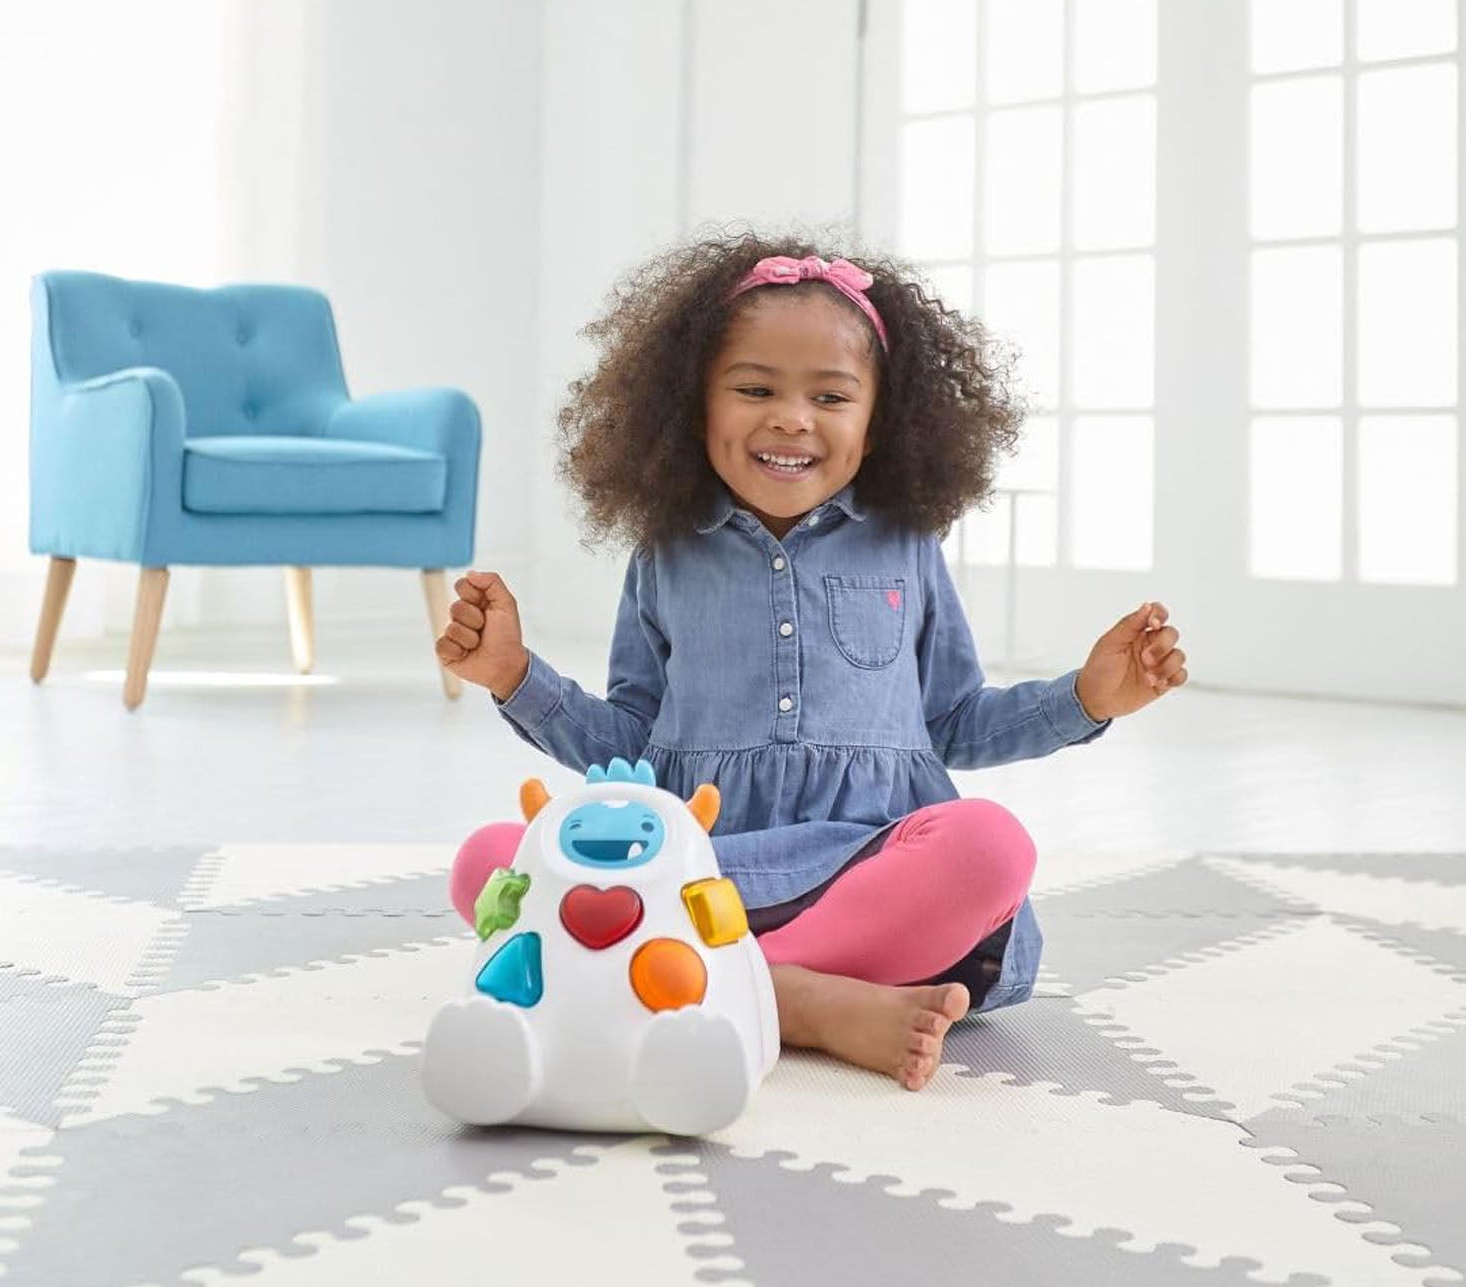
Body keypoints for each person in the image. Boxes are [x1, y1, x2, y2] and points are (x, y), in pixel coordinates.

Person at [436, 233, 1188, 1093]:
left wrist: (1088, 697)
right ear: (693, 410)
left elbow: (953, 725)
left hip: (866, 873)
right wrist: (513, 675)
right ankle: (799, 999)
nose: (792, 418)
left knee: (991, 846)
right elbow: (630, 751)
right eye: (755, 389)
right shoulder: (667, 553)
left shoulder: (906, 546)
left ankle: (705, 983)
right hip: (693, 875)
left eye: (831, 397)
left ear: (878, 428)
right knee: (489, 859)